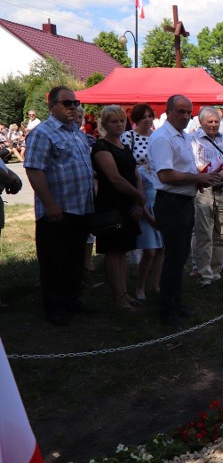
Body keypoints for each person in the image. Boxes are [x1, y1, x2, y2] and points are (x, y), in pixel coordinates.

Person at [148, 95, 223, 327]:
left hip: (183, 200)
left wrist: (197, 180)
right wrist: (196, 177)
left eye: (188, 112)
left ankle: (175, 304)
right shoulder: (163, 137)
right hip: (170, 202)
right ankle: (167, 310)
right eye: (180, 111)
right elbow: (165, 175)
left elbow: (180, 171)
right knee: (173, 258)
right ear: (168, 112)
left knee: (179, 257)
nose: (185, 116)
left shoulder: (180, 136)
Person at [24, 86, 95, 326]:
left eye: (75, 103)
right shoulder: (43, 133)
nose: (73, 107)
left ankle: (73, 299)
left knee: (75, 258)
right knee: (54, 261)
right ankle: (55, 308)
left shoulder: (76, 132)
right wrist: (49, 204)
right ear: (52, 106)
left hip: (80, 208)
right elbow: (34, 169)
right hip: (57, 210)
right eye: (67, 103)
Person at [91, 105, 146, 310]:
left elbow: (135, 173)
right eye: (114, 121)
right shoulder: (101, 147)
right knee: (113, 251)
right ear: (104, 124)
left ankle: (124, 292)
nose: (119, 124)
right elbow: (114, 178)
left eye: (122, 120)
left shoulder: (124, 145)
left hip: (127, 202)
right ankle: (118, 296)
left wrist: (138, 199)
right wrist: (138, 195)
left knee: (124, 249)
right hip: (111, 204)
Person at [191, 107, 223, 290]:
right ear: (201, 122)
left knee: (221, 232)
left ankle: (216, 271)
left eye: (216, 121)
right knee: (204, 233)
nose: (213, 125)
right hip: (204, 190)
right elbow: (194, 166)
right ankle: (204, 275)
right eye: (210, 121)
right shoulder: (193, 139)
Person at [120, 103, 163, 302]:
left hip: (159, 193)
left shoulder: (157, 137)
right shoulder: (129, 137)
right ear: (136, 119)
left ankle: (155, 285)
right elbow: (125, 167)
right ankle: (139, 286)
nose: (147, 119)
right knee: (149, 248)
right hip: (139, 193)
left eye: (150, 115)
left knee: (161, 248)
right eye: (143, 116)